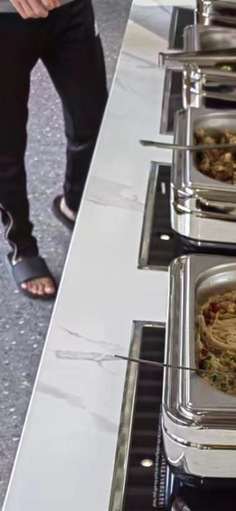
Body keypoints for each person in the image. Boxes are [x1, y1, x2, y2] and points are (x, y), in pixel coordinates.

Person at [0, 0, 108, 299]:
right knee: (6, 145)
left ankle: (74, 203)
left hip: (71, 8)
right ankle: (22, 247)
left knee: (93, 121)